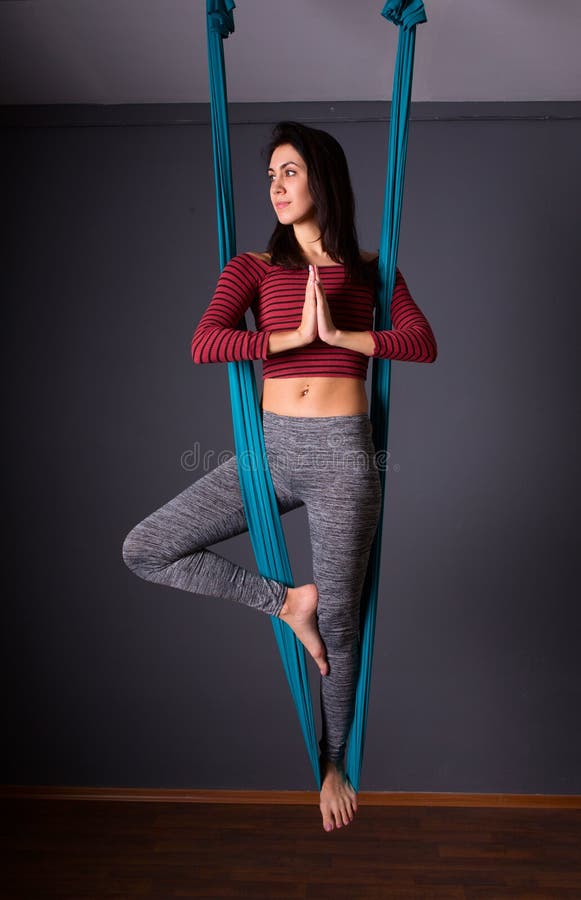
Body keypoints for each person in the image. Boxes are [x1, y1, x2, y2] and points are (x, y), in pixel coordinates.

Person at [122, 121, 437, 833]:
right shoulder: (253, 266)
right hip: (269, 453)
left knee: (342, 628)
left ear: (321, 178)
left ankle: (331, 764)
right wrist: (288, 338)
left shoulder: (368, 270)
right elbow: (205, 341)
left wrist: (343, 337)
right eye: (270, 176)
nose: (276, 186)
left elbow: (420, 343)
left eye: (289, 172)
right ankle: (281, 602)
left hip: (342, 459)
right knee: (146, 546)